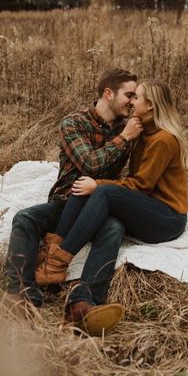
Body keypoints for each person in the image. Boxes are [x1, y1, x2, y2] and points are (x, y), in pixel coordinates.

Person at [36, 79, 188, 335]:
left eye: (137, 98)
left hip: (166, 218)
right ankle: (84, 302)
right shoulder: (143, 133)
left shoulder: (163, 140)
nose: (131, 102)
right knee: (107, 218)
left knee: (100, 189)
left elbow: (140, 185)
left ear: (150, 106)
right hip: (146, 208)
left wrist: (99, 185)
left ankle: (57, 262)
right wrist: (94, 184)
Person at [4, 68, 142, 327]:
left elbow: (134, 174)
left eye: (136, 96)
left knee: (114, 228)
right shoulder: (73, 123)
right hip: (67, 201)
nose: (133, 102)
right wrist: (123, 139)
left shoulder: (128, 129)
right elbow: (88, 164)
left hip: (102, 205)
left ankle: (83, 305)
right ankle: (21, 297)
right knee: (24, 218)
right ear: (108, 93)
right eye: (129, 95)